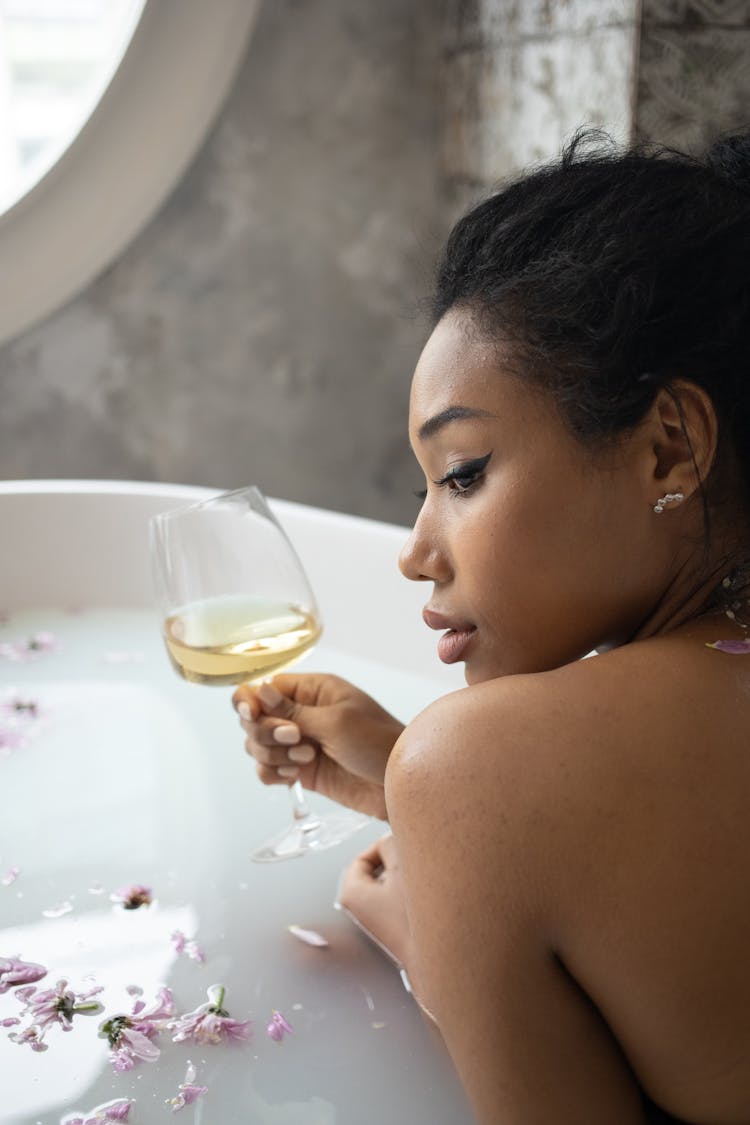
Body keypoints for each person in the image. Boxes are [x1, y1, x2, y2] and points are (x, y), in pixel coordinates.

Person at [233, 129, 750, 1124]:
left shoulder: (478, 765)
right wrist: (403, 777)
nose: (415, 549)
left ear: (668, 448)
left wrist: (430, 946)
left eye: (463, 473)